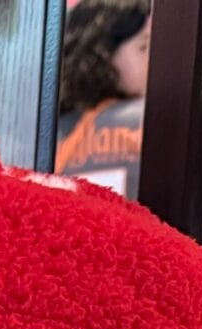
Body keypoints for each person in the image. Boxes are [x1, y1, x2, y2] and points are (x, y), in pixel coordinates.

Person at [52, 1, 149, 198]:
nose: (152, 59)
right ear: (102, 51)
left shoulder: (50, 124)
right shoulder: (147, 119)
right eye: (143, 47)